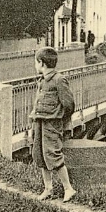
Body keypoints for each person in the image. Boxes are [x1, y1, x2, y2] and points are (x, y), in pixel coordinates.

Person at [30, 47, 77, 202]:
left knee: (53, 155)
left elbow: (68, 104)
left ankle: (68, 189)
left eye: (36, 63)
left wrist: (60, 120)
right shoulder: (42, 81)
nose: (35, 66)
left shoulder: (59, 80)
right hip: (40, 122)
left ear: (41, 63)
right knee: (40, 155)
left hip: (52, 124)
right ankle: (48, 188)